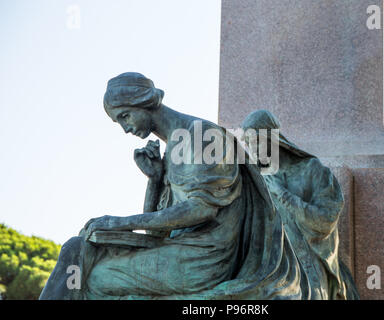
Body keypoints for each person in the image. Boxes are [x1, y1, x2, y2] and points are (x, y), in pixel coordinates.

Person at [39, 73, 305, 300]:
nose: (125, 128)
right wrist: (154, 181)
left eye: (125, 116)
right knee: (77, 248)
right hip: (178, 249)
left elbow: (201, 210)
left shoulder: (202, 136)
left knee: (94, 277)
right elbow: (158, 231)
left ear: (144, 102)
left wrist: (117, 222)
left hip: (203, 260)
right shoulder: (173, 148)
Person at [241, 109, 359, 300]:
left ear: (273, 139)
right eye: (247, 145)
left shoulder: (312, 169)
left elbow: (326, 220)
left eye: (255, 142)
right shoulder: (255, 181)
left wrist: (284, 195)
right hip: (266, 266)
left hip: (306, 264)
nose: (251, 151)